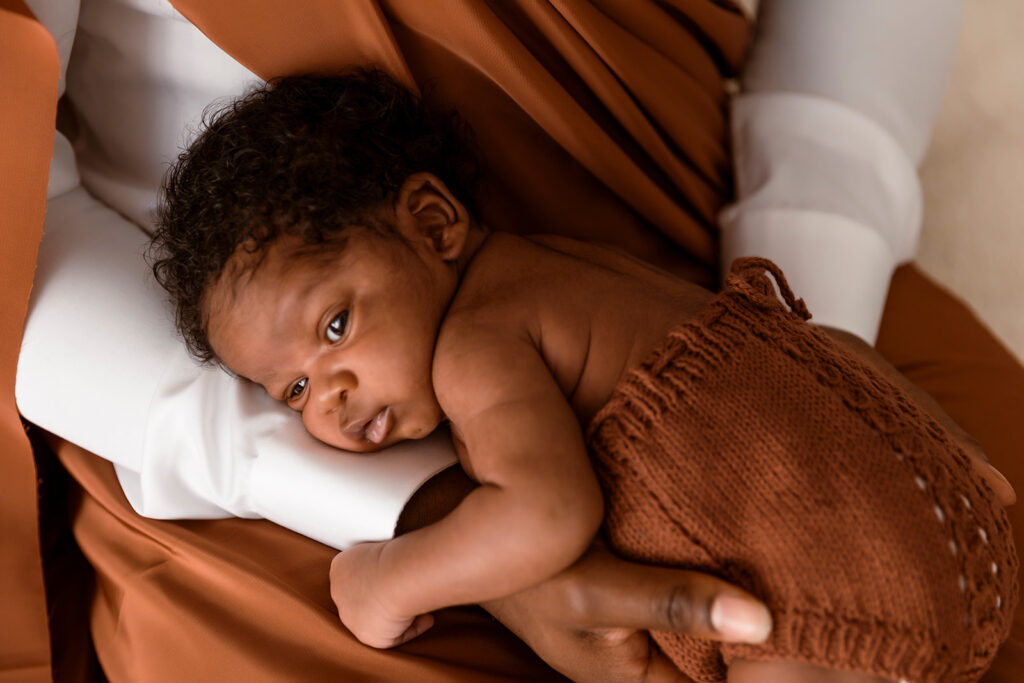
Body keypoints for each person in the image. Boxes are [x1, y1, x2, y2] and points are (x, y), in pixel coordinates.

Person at [150, 69, 1017, 682]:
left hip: (820, 599)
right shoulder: (570, 271)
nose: (328, 393)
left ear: (432, 221)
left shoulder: (477, 345)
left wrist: (385, 578)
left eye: (336, 326)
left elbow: (547, 513)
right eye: (292, 390)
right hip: (934, 510)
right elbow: (813, 350)